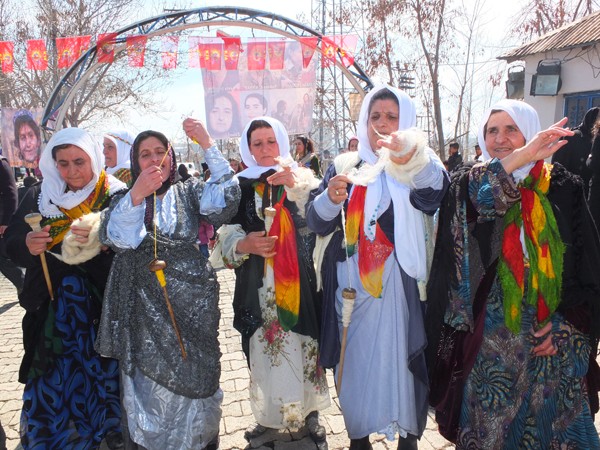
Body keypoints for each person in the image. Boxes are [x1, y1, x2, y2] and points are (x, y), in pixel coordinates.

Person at [426, 99, 600, 449]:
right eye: (492, 130)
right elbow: (483, 199)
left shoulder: (563, 186)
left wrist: (568, 328)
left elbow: (588, 269)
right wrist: (523, 155)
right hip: (491, 350)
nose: (500, 138)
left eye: (511, 129)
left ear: (529, 131)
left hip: (550, 344)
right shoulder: (469, 184)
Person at [305, 85, 449, 450]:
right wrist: (329, 197)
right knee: (353, 363)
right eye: (375, 117)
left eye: (391, 117)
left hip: (401, 286)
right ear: (364, 122)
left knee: (403, 360)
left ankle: (409, 434)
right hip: (351, 287)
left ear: (406, 122)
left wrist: (409, 157)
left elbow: (434, 196)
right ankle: (358, 434)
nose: (382, 125)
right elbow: (317, 222)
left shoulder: (418, 162)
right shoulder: (344, 166)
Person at [95, 122, 240, 450]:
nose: (154, 160)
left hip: (193, 308)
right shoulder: (124, 196)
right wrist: (138, 194)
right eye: (145, 154)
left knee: (198, 374)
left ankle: (200, 439)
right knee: (152, 387)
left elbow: (226, 200)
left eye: (161, 152)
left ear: (171, 158)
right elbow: (119, 238)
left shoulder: (189, 191)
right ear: (135, 161)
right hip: (144, 313)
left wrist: (206, 143)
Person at [4, 127, 127, 449]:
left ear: (94, 159)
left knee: (106, 378)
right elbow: (12, 241)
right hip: (52, 312)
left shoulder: (114, 195)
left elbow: (135, 246)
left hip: (103, 310)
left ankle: (108, 436)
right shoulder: (40, 196)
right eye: (63, 163)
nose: (71, 171)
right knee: (53, 380)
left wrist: (104, 242)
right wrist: (27, 243)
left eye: (79, 161)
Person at [211, 116, 329, 448]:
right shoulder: (239, 187)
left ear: (283, 143)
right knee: (264, 349)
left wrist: (298, 185)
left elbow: (322, 217)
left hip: (300, 282)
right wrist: (243, 244)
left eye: (270, 141)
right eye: (257, 143)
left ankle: (310, 414)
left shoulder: (302, 178)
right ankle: (267, 417)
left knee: (304, 345)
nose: (265, 149)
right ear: (248, 149)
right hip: (257, 284)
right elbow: (225, 233)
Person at [552, 106, 599, 198]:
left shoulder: (596, 141)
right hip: (569, 191)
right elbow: (558, 165)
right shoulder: (572, 136)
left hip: (589, 193)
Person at [0, 155, 23, 294]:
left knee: (4, 257)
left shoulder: (1, 164)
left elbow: (11, 193)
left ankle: (24, 284)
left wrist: (6, 221)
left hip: (2, 220)